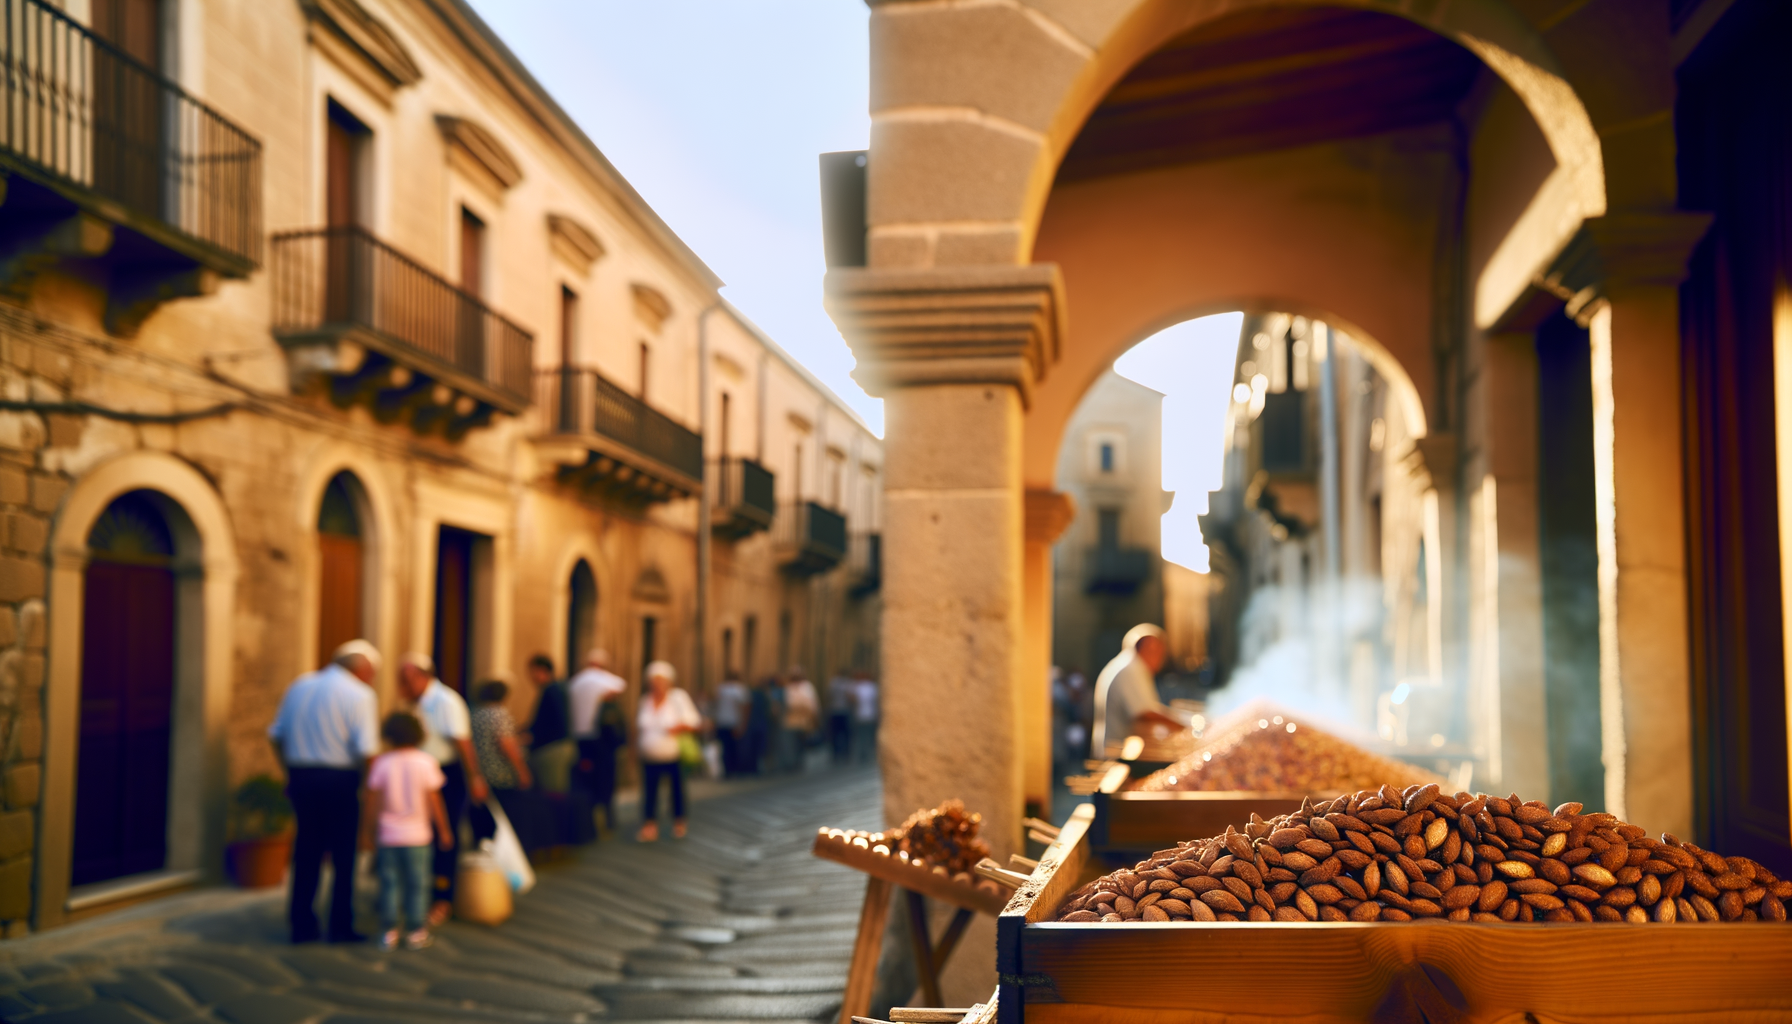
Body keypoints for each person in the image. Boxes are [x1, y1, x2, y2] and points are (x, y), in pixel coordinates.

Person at [268, 639, 381, 944]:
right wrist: (370, 789)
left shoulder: (300, 685)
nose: (373, 678)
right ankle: (340, 925)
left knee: (306, 850)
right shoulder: (360, 694)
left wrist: (289, 770)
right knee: (344, 856)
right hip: (339, 780)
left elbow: (276, 735)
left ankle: (301, 925)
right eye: (373, 672)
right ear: (362, 668)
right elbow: (367, 749)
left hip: (302, 777)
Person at [396, 653, 485, 927]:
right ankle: (420, 891)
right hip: (420, 775)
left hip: (445, 775)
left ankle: (442, 897)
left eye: (405, 681)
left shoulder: (445, 701)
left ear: (422, 677)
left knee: (445, 835)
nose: (401, 688)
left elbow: (462, 742)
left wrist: (475, 778)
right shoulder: (416, 704)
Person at [360, 711, 452, 952]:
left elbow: (372, 800)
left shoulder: (382, 763)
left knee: (389, 883)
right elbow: (435, 800)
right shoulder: (426, 762)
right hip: (418, 836)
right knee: (418, 883)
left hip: (388, 835)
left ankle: (389, 932)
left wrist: (367, 832)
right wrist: (443, 830)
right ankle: (415, 931)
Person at [469, 680, 555, 851]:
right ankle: (514, 854)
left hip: (484, 774)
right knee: (512, 818)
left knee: (488, 819)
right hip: (503, 775)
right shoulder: (499, 714)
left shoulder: (475, 714)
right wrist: (522, 771)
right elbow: (506, 744)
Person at [1089, 624, 1179, 757]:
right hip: (1117, 754)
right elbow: (1145, 714)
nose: (1162, 659)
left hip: (1120, 750)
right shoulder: (1131, 669)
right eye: (1160, 652)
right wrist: (1184, 726)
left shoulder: (1129, 666)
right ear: (1149, 648)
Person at [636, 660, 701, 842]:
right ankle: (649, 825)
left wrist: (678, 727)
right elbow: (639, 727)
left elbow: (694, 722)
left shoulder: (677, 698)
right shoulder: (645, 700)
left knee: (677, 790)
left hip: (672, 755)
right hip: (649, 756)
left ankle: (679, 822)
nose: (656, 684)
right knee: (649, 792)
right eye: (653, 681)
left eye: (660, 680)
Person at [567, 648, 626, 831]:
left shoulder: (575, 683)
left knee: (586, 779)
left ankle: (588, 821)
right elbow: (621, 686)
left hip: (580, 739)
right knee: (605, 779)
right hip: (602, 740)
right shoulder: (607, 681)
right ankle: (607, 819)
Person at [525, 654, 574, 796]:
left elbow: (555, 722)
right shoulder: (557, 689)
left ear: (542, 670)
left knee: (553, 793)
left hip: (553, 748)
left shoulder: (552, 690)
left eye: (532, 672)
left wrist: (532, 736)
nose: (531, 677)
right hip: (556, 747)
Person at [711, 670, 750, 776]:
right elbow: (744, 708)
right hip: (734, 722)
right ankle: (734, 770)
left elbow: (715, 705)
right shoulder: (740, 689)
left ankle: (727, 770)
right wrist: (742, 724)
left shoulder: (720, 688)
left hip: (722, 722)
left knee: (724, 748)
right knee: (735, 748)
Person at [781, 667, 819, 771]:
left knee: (800, 742)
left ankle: (798, 762)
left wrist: (813, 719)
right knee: (791, 743)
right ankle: (792, 763)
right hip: (792, 720)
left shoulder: (806, 687)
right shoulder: (788, 687)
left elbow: (812, 705)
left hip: (803, 720)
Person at [850, 670, 880, 765]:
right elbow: (877, 701)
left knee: (861, 736)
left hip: (860, 715)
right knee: (869, 736)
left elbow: (852, 700)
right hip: (871, 715)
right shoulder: (873, 687)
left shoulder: (857, 687)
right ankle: (868, 753)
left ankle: (863, 754)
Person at [825, 671, 855, 764]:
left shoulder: (832, 683)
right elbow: (850, 697)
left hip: (834, 711)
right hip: (844, 711)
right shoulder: (847, 683)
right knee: (846, 734)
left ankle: (835, 753)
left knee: (835, 734)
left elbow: (828, 696)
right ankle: (846, 752)